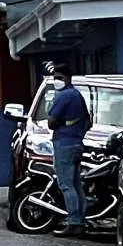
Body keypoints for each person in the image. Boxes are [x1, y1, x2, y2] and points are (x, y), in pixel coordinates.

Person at [44, 64, 91, 235]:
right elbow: (88, 120)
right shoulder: (77, 95)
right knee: (76, 184)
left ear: (68, 78)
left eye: (60, 78)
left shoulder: (63, 96)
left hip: (64, 143)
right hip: (76, 143)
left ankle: (73, 221)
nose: (57, 81)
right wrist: (78, 134)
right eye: (55, 78)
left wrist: (64, 128)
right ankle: (80, 221)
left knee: (66, 184)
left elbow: (51, 122)